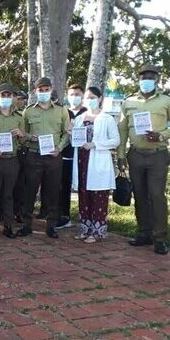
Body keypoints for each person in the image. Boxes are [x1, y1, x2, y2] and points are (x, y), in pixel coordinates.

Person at [118, 65, 170, 255]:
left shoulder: (167, 101)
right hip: (135, 154)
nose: (146, 80)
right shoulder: (128, 101)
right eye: (143, 77)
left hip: (157, 154)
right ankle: (144, 233)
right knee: (139, 195)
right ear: (138, 79)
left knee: (156, 196)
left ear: (156, 79)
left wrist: (162, 135)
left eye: (150, 77)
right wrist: (121, 155)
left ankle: (160, 238)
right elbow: (122, 130)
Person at [18, 77, 70, 239]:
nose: (43, 92)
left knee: (53, 192)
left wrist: (59, 148)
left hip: (53, 157)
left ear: (51, 90)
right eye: (40, 90)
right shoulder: (29, 111)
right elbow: (21, 135)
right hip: (34, 156)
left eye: (46, 89)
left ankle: (51, 226)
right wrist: (29, 137)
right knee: (30, 191)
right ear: (35, 91)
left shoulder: (61, 110)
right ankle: (27, 225)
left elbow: (66, 133)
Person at [72, 86, 120, 243]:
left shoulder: (107, 119)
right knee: (84, 196)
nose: (90, 100)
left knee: (98, 197)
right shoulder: (80, 118)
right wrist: (71, 133)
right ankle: (85, 230)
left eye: (93, 97)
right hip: (82, 161)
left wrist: (95, 144)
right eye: (88, 98)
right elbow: (77, 139)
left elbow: (115, 141)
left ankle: (97, 232)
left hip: (98, 160)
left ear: (100, 99)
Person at [0, 83, 25, 239]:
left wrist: (21, 134)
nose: (6, 98)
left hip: (12, 160)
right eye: (3, 95)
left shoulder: (19, 118)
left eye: (9, 95)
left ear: (13, 98)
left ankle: (8, 226)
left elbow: (23, 143)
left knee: (8, 195)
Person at [58, 84, 87, 230]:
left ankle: (86, 217)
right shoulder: (64, 112)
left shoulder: (87, 113)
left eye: (77, 94)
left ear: (82, 96)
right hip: (66, 155)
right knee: (63, 186)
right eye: (71, 94)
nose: (74, 97)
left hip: (84, 156)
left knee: (84, 186)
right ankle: (64, 216)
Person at [13, 90, 28, 223]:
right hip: (5, 154)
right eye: (18, 98)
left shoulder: (25, 114)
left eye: (22, 99)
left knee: (20, 184)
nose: (20, 101)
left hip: (21, 151)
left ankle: (19, 211)